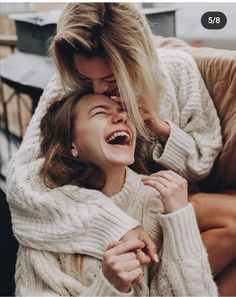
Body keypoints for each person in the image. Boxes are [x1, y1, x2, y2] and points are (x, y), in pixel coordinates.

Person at [7, 3, 235, 295]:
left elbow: (202, 164)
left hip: (163, 202)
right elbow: (22, 183)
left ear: (139, 60)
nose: (99, 90)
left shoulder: (178, 71)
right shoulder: (64, 86)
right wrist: (115, 224)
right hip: (103, 205)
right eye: (88, 81)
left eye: (111, 79)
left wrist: (160, 128)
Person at [15, 91, 218, 296]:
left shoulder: (157, 201)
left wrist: (180, 216)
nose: (122, 117)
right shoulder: (45, 214)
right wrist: (108, 287)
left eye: (124, 111)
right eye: (100, 112)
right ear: (71, 145)